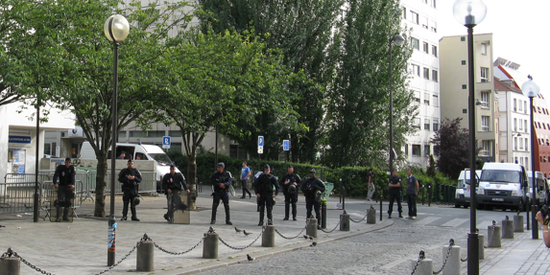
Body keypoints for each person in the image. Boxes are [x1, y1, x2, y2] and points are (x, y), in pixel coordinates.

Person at [53, 157, 76, 222]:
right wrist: (55, 183)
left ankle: (65, 216)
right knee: (60, 201)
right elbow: (56, 175)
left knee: (67, 202)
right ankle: (58, 216)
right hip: (62, 186)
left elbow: (73, 176)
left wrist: (73, 184)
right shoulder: (61, 168)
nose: (67, 164)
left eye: (69, 162)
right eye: (66, 162)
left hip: (68, 186)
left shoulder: (71, 168)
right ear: (65, 162)